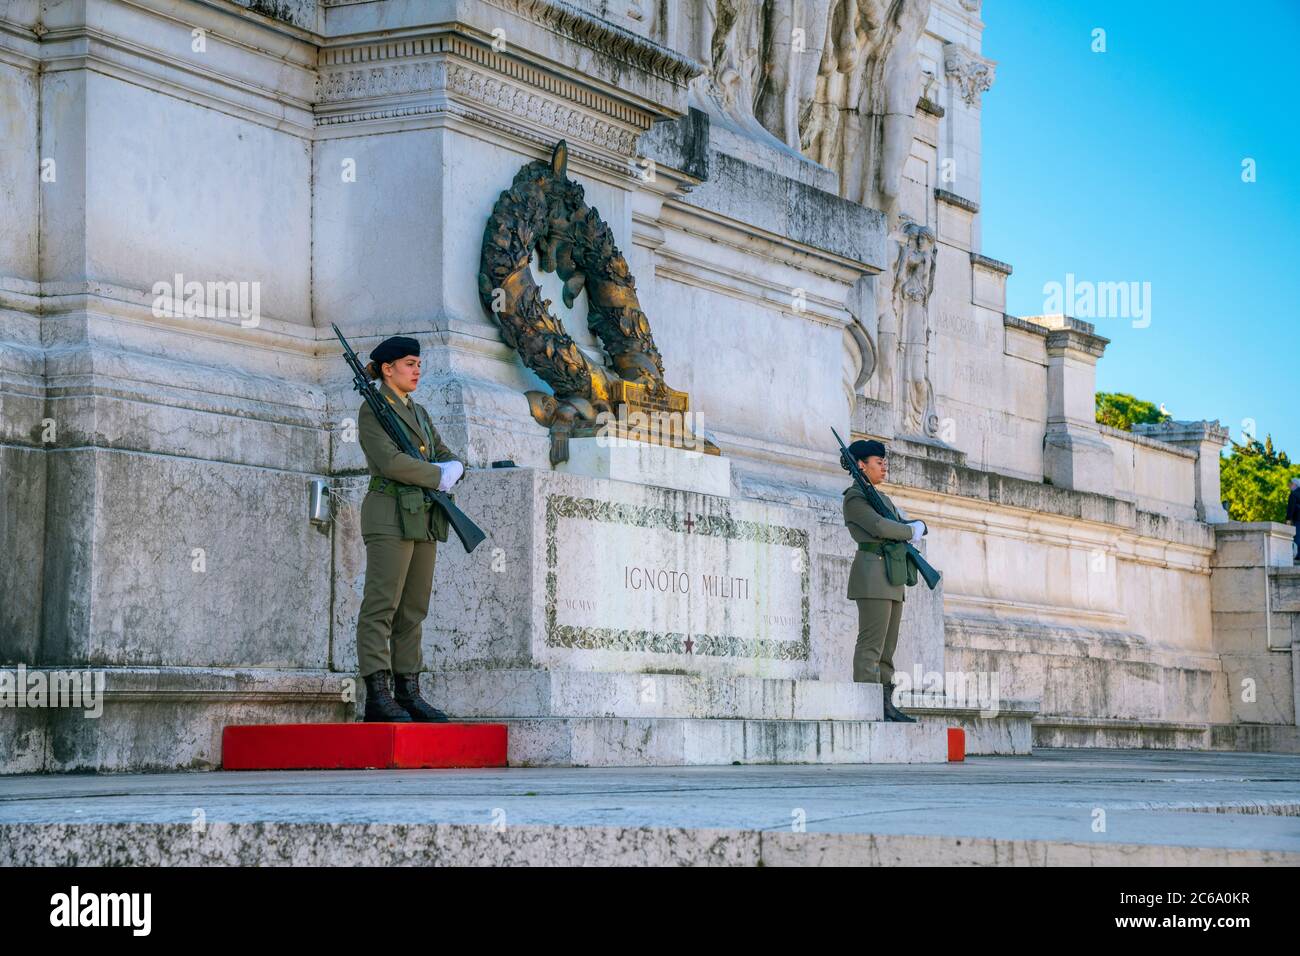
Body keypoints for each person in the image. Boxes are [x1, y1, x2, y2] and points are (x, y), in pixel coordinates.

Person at [355, 335, 465, 722]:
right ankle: (377, 695)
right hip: (388, 513)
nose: (417, 370)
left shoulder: (418, 412)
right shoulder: (372, 411)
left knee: (413, 609)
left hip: (422, 515)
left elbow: (443, 450)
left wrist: (454, 467)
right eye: (408, 364)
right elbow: (390, 463)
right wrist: (439, 475)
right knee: (381, 606)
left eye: (418, 363)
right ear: (387, 369)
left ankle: (408, 692)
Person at [842, 439, 928, 722]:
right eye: (878, 462)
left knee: (887, 649)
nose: (884, 467)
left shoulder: (884, 499)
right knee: (871, 645)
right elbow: (879, 526)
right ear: (861, 465)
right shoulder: (855, 498)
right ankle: (866, 705)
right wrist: (909, 530)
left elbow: (893, 525)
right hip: (871, 575)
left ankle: (886, 705)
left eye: (884, 462)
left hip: (891, 576)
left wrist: (909, 528)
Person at [1287, 477, 1300, 564]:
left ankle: (1298, 556)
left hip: (1297, 519)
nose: (1289, 486)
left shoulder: (1294, 494)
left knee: (1297, 538)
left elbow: (1291, 508)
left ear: (1295, 484)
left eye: (1291, 484)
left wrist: (1288, 519)